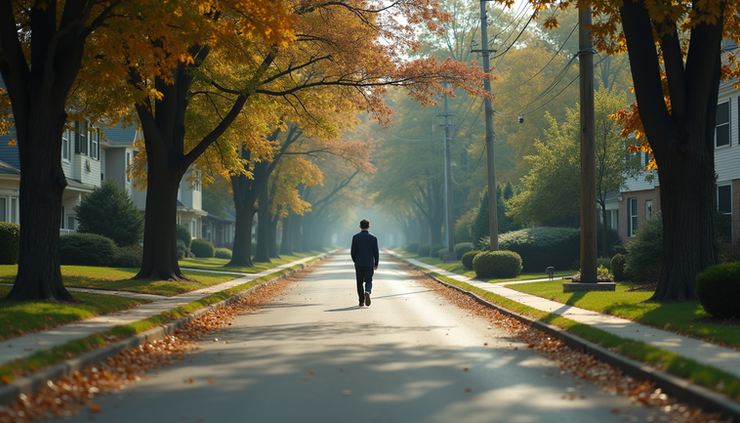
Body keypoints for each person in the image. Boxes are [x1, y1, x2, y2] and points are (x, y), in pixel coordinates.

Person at [350, 219, 379, 307]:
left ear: (360, 226)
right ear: (369, 226)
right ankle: (367, 291)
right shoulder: (373, 238)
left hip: (359, 263)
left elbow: (353, 251)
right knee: (368, 280)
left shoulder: (355, 237)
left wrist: (355, 260)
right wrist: (376, 263)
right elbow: (376, 252)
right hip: (369, 263)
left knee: (359, 282)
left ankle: (361, 301)